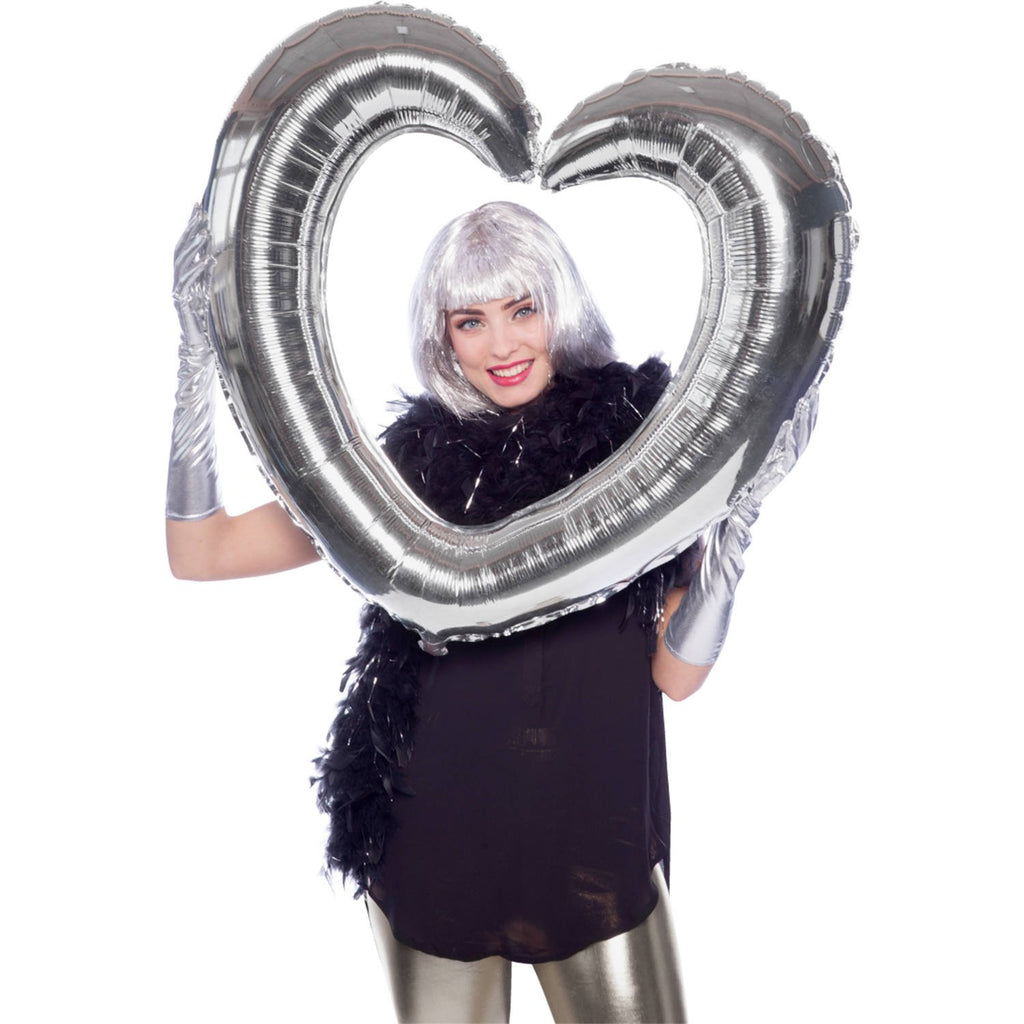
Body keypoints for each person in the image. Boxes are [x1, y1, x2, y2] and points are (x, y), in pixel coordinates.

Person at [167, 201, 809, 1023]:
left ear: (559, 307)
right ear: (444, 338)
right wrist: (196, 354)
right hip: (434, 844)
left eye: (522, 310)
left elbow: (677, 676)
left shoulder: (642, 458)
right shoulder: (403, 477)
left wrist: (740, 512)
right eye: (471, 321)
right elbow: (204, 552)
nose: (502, 345)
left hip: (593, 845)